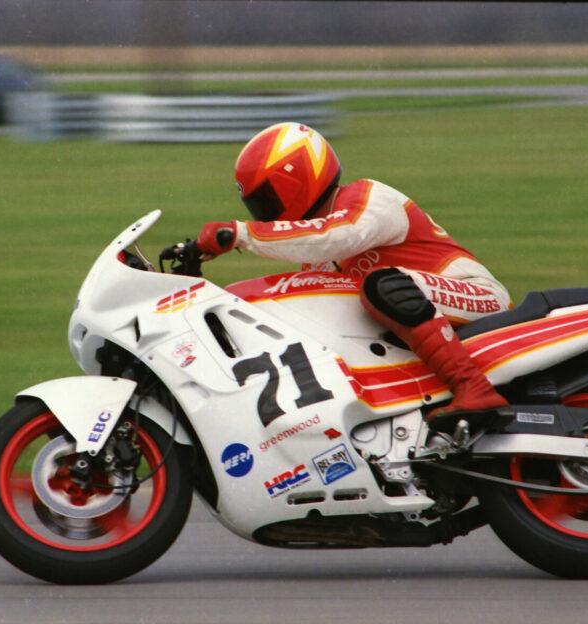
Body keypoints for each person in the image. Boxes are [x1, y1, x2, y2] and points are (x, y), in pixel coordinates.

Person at [196, 122, 513, 433]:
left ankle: (474, 388)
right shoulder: (315, 259)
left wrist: (241, 234)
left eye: (265, 200)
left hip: (476, 295)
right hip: (428, 317)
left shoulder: (368, 198)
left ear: (295, 180)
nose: (262, 213)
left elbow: (336, 236)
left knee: (383, 285)